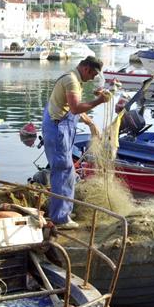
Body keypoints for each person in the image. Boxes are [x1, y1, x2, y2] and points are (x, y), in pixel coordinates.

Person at [42, 56, 109, 229]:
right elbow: (75, 108)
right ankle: (60, 218)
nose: (93, 78)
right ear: (86, 68)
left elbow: (69, 108)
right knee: (63, 171)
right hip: (58, 130)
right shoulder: (72, 81)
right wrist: (99, 101)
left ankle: (62, 211)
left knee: (67, 171)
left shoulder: (73, 78)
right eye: (93, 74)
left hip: (58, 126)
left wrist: (90, 122)